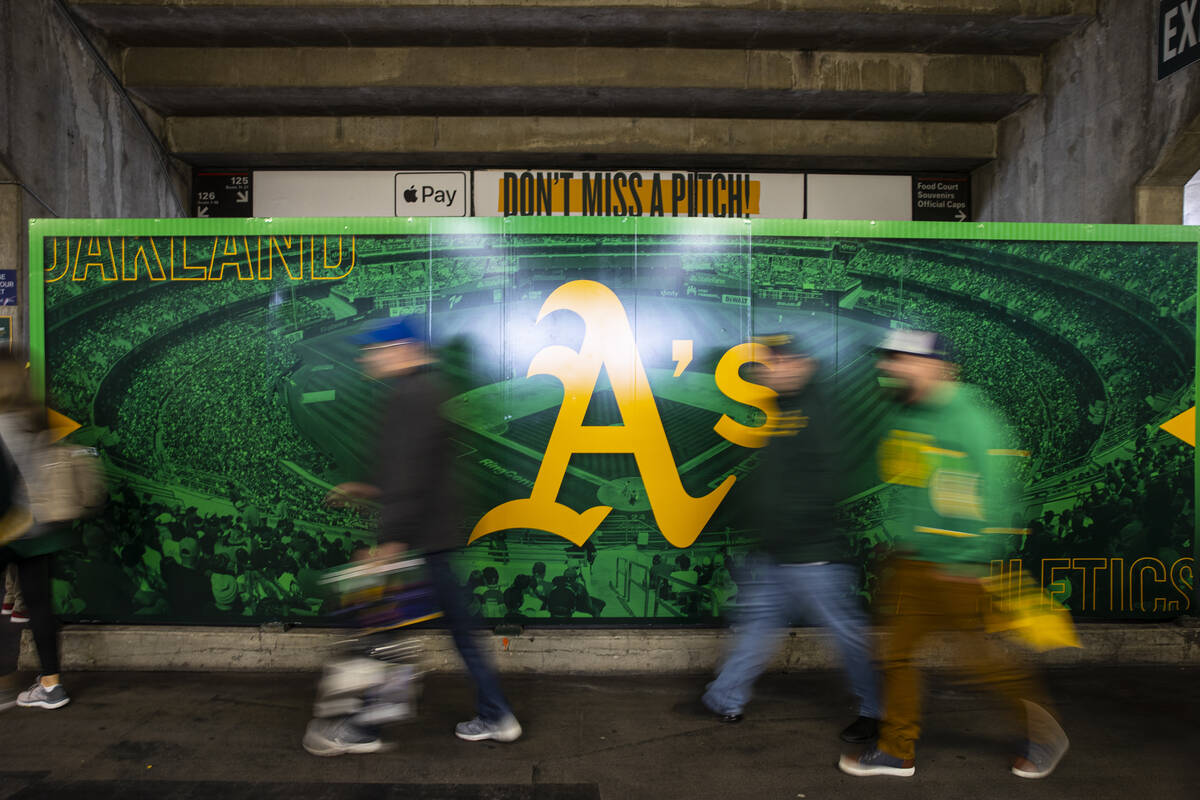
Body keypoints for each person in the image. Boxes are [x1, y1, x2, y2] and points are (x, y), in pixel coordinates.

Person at [839, 329, 1068, 779]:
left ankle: (1045, 735)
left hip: (958, 567)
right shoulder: (912, 414)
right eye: (891, 359)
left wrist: (972, 557)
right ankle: (897, 750)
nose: (892, 367)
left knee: (984, 665)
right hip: (914, 562)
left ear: (940, 366)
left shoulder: (970, 417)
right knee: (897, 655)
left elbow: (999, 495)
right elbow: (913, 485)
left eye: (904, 359)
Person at [302, 317, 521, 756]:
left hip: (417, 542)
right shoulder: (428, 389)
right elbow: (417, 471)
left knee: (384, 640)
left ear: (402, 348)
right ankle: (497, 715)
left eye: (376, 350)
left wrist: (390, 544)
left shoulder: (411, 396)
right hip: (433, 538)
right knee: (454, 633)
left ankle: (361, 728)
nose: (369, 357)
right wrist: (367, 489)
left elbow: (411, 478)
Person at [701, 333, 882, 742]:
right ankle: (725, 696)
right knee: (756, 626)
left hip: (812, 554)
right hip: (776, 552)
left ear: (804, 363)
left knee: (846, 635)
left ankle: (876, 710)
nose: (771, 369)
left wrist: (799, 531)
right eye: (769, 363)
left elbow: (829, 480)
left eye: (780, 361)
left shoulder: (817, 410)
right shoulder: (784, 407)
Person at [0, 353, 76, 711]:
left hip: (6, 529)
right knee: (40, 607)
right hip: (39, 529)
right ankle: (51, 685)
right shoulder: (37, 416)